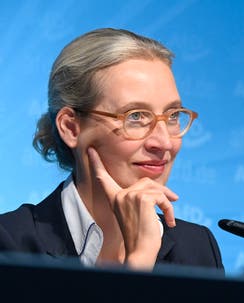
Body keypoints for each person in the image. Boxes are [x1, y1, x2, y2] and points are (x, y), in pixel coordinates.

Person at [0, 28, 223, 271]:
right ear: (71, 128)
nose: (164, 142)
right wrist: (137, 265)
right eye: (136, 116)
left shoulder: (198, 248)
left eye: (172, 116)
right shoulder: (11, 244)